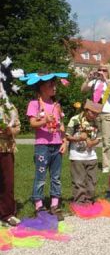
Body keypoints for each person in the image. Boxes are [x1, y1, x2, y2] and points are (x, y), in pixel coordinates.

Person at [25, 73, 68, 220]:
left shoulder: (56, 105)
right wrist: (44, 121)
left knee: (56, 176)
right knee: (41, 176)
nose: (54, 88)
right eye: (51, 85)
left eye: (54, 85)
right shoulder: (34, 104)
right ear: (42, 88)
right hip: (42, 146)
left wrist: (64, 141)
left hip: (56, 145)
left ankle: (54, 205)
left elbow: (61, 124)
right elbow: (32, 124)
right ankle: (39, 205)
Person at [81, 63, 110, 173]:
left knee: (107, 141)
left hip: (107, 113)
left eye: (104, 70)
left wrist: (106, 79)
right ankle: (90, 161)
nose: (101, 71)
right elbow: (83, 90)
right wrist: (88, 78)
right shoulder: (95, 81)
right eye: (100, 69)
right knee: (92, 138)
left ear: (109, 71)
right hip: (94, 112)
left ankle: (106, 166)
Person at [66, 99, 102, 204]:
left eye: (96, 113)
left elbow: (99, 137)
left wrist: (93, 142)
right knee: (79, 181)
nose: (94, 115)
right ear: (86, 110)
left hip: (91, 156)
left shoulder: (97, 121)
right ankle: (79, 202)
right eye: (92, 112)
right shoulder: (75, 119)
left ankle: (89, 200)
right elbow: (67, 136)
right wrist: (78, 138)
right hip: (77, 156)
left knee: (92, 181)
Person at [0, 102, 21, 226]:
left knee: (7, 182)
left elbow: (17, 127)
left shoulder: (10, 107)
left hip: (6, 149)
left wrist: (10, 130)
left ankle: (7, 214)